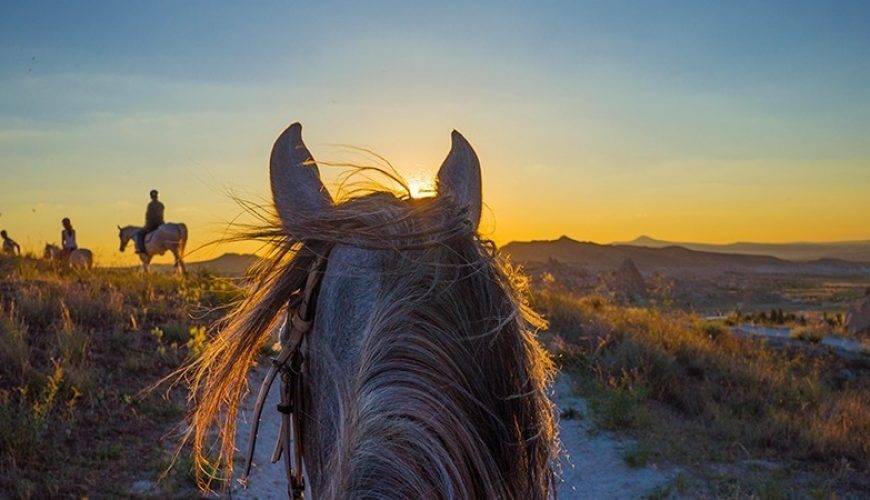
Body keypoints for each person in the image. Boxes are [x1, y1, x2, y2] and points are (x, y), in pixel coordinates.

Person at [136, 189, 165, 253]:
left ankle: (141, 249)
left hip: (152, 224)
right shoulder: (161, 204)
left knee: (139, 233)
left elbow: (148, 215)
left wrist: (147, 223)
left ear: (151, 197)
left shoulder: (150, 205)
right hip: (161, 223)